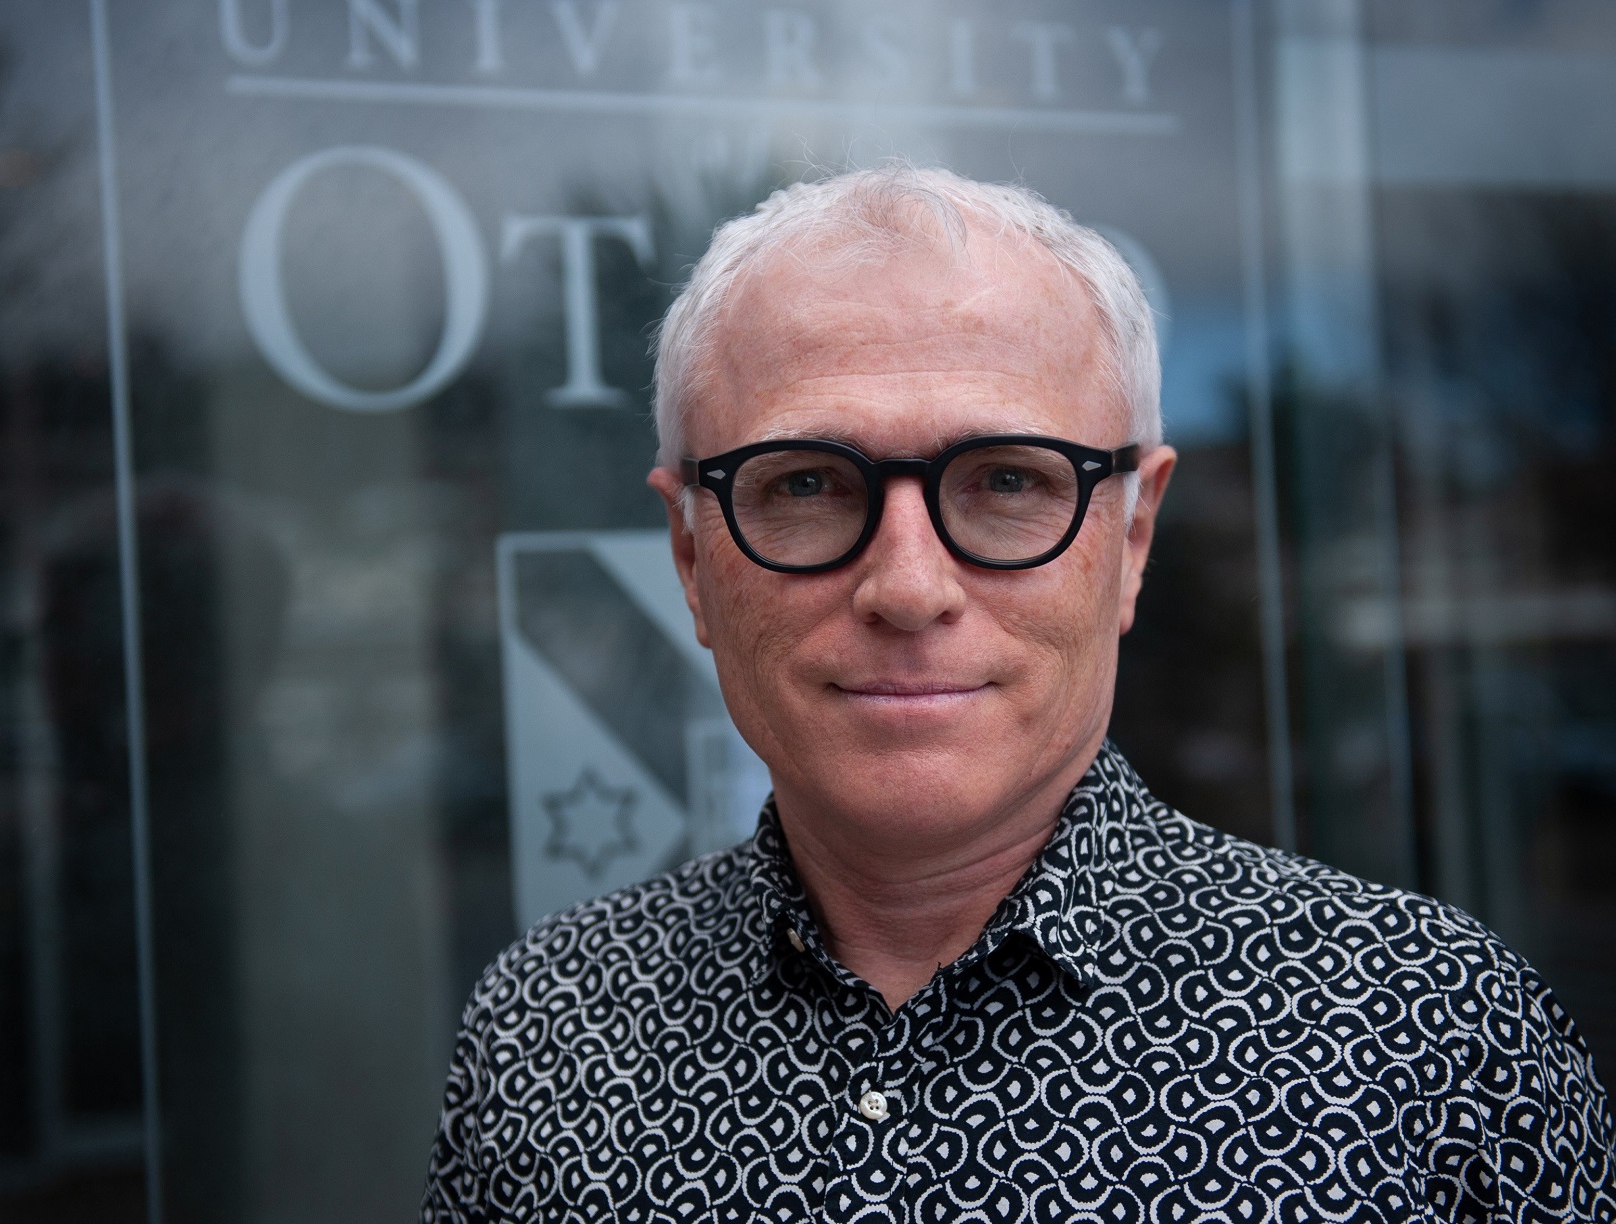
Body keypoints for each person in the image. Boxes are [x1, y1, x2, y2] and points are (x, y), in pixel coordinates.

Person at [422, 166, 1615, 1222]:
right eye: (805, 486)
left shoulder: (1422, 1042)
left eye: (1004, 481)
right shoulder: (547, 1036)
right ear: (691, 557)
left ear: (1131, 537)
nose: (906, 587)